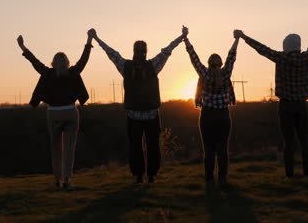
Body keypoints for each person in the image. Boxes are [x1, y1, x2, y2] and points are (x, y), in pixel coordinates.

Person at [237, 12, 308, 177]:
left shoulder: (280, 58)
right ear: (299, 46)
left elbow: (261, 49)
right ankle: (307, 173)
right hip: (301, 105)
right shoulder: (306, 58)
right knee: (304, 141)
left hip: (286, 106)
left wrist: (244, 37)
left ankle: (290, 175)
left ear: (285, 46)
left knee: (289, 142)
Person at [91, 27, 187, 184]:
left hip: (134, 115)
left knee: (136, 146)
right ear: (145, 52)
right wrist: (182, 37)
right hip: (151, 114)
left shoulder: (126, 66)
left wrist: (96, 38)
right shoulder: (152, 65)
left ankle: (139, 176)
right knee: (152, 146)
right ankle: (151, 175)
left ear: (134, 51)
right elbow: (167, 51)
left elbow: (111, 54)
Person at [16, 30, 94, 188]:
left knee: (55, 148)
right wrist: (89, 38)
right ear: (67, 62)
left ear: (53, 63)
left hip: (53, 114)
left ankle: (57, 180)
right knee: (69, 148)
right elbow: (84, 60)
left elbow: (35, 62)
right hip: (71, 112)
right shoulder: (73, 72)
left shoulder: (47, 73)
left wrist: (23, 47)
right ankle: (67, 179)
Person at [184, 26, 240, 186]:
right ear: (221, 64)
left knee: (208, 149)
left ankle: (209, 178)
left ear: (208, 64)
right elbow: (232, 56)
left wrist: (186, 39)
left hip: (207, 116)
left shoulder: (204, 74)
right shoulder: (226, 73)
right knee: (222, 149)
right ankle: (222, 178)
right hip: (223, 116)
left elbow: (193, 57)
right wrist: (237, 39)